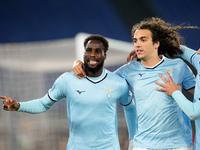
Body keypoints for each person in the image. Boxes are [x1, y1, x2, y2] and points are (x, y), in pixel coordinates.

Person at [72, 17, 196, 150]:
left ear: (156, 43)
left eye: (143, 40)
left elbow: (197, 94)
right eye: (135, 41)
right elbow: (98, 80)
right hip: (144, 145)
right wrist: (78, 63)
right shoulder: (129, 70)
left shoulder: (178, 66)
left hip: (178, 144)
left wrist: (176, 93)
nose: (137, 44)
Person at [0, 34, 136, 150]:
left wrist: (133, 140)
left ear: (105, 56)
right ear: (84, 53)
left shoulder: (118, 83)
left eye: (97, 51)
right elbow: (43, 104)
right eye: (89, 50)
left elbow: (130, 108)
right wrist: (18, 106)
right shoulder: (67, 80)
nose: (92, 55)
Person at [155, 47, 200, 150]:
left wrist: (174, 92)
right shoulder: (199, 60)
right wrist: (146, 49)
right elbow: (180, 50)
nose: (198, 51)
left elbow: (194, 113)